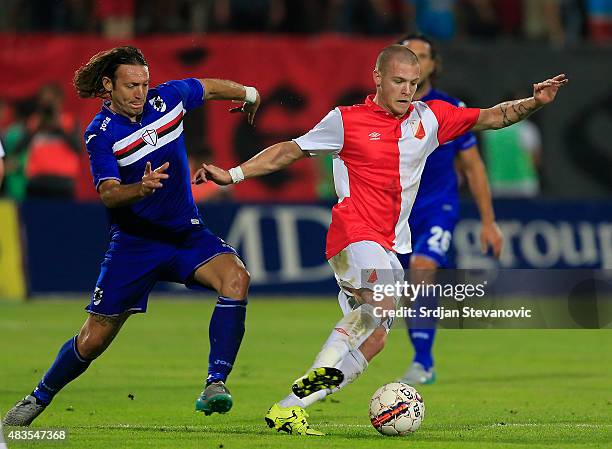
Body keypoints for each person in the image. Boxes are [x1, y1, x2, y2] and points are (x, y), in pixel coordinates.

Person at [193, 45, 567, 435]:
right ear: (378, 77)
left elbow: (493, 116)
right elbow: (289, 151)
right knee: (382, 300)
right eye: (399, 81)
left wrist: (534, 102)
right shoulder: (345, 121)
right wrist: (234, 174)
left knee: (376, 338)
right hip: (353, 233)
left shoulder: (431, 118)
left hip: (389, 243)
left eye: (413, 83)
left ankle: (293, 405)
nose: (407, 90)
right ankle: (310, 382)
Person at [2, 46, 261, 426]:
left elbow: (205, 87)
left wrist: (248, 93)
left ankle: (215, 383)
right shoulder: (100, 134)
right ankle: (38, 397)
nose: (140, 92)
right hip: (135, 245)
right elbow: (107, 192)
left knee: (236, 277)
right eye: (131, 86)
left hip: (185, 235)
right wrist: (139, 188)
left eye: (144, 84)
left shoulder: (168, 98)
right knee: (93, 339)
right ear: (108, 86)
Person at [396, 34, 503, 385]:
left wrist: (489, 222)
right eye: (408, 54)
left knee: (423, 269)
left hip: (437, 207)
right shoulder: (384, 109)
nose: (415, 61)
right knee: (397, 289)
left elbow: (473, 167)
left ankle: (422, 361)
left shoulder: (449, 108)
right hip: (395, 212)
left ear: (433, 65)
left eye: (422, 56)